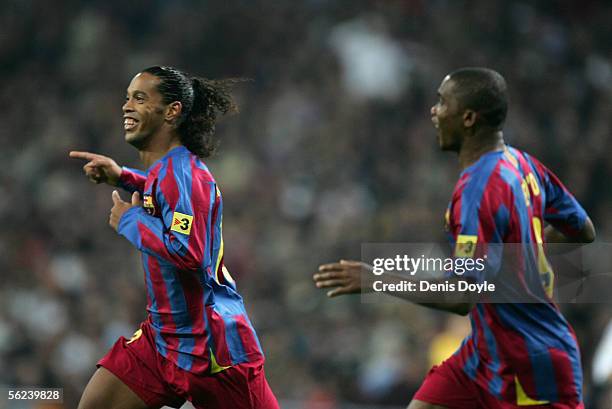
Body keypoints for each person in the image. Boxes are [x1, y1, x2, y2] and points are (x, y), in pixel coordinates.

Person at [313, 67, 596, 409]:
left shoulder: (478, 189)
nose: (433, 111)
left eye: (442, 103)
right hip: (483, 354)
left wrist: (376, 278)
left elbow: (462, 295)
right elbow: (581, 229)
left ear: (468, 118)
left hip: (531, 363)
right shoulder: (522, 163)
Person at [70, 66, 279, 409]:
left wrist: (130, 219)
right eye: (127, 98)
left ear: (172, 111)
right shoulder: (165, 171)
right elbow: (161, 196)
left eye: (139, 98)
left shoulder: (184, 174)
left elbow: (188, 252)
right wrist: (123, 177)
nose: (126, 106)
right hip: (162, 339)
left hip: (213, 351)